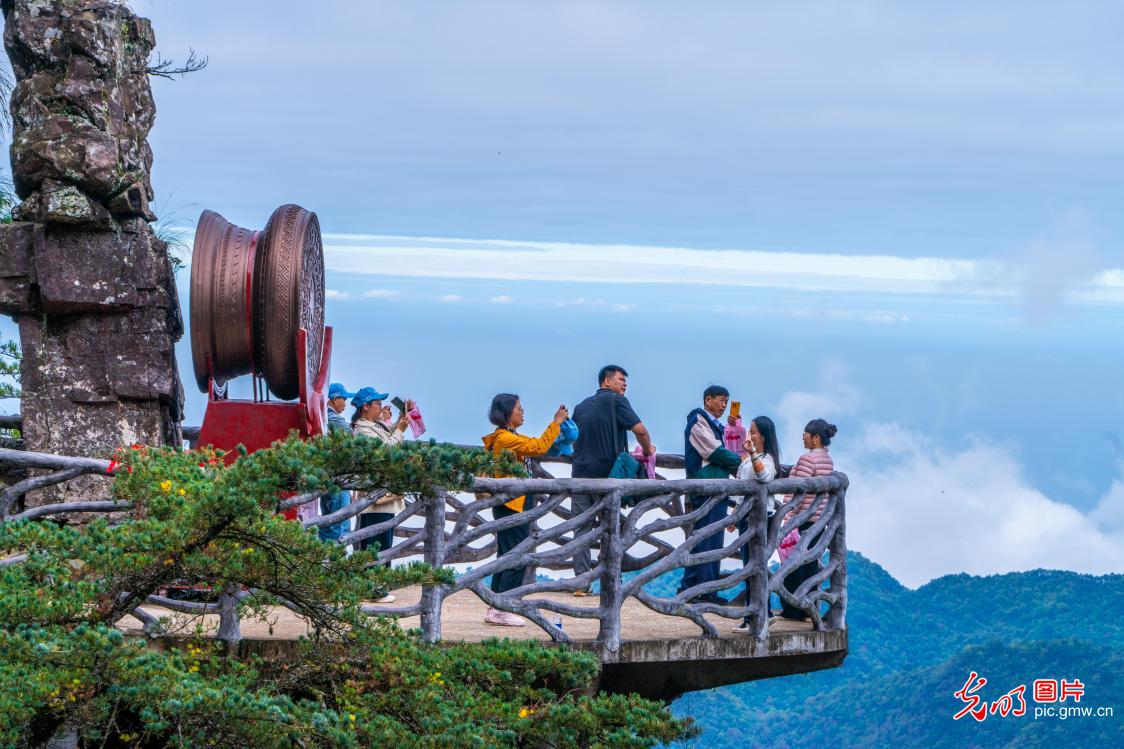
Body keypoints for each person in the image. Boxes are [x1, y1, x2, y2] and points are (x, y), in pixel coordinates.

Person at [481, 394, 569, 626]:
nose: (523, 412)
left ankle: (496, 605)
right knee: (517, 556)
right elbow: (538, 446)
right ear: (507, 412)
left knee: (507, 554)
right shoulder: (505, 438)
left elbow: (536, 445)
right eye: (519, 408)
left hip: (512, 503)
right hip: (512, 504)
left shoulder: (507, 437)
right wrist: (556, 423)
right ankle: (503, 607)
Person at [570, 365, 655, 595]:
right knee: (610, 529)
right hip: (609, 479)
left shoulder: (580, 407)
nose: (625, 384)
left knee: (581, 530)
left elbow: (573, 439)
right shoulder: (617, 401)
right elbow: (641, 431)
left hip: (579, 476)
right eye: (621, 379)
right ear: (606, 382)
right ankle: (610, 582)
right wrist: (648, 451)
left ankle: (580, 583)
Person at [678, 385, 742, 604]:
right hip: (707, 487)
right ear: (708, 400)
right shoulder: (698, 421)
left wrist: (735, 430)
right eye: (721, 400)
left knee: (706, 537)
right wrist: (739, 463)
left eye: (726, 401)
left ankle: (693, 588)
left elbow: (729, 447)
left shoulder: (715, 425)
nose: (724, 405)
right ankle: (704, 591)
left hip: (715, 486)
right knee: (708, 538)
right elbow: (712, 451)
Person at [351, 386, 415, 605]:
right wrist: (401, 430)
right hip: (374, 498)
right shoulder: (362, 430)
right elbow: (386, 451)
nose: (380, 407)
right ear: (365, 407)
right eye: (377, 403)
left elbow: (389, 439)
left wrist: (400, 419)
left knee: (382, 541)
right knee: (376, 543)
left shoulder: (373, 425)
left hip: (382, 495)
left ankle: (376, 586)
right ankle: (374, 589)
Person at [777, 418, 838, 622]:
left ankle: (792, 609)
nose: (803, 437)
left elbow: (798, 491)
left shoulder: (807, 459)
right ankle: (807, 607)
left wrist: (788, 516)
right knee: (809, 565)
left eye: (806, 434)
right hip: (819, 520)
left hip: (802, 519)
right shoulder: (828, 461)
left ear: (816, 438)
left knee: (792, 566)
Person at [731, 415, 780, 633]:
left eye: (754, 431)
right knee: (749, 567)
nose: (751, 434)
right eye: (750, 430)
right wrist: (735, 514)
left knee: (755, 567)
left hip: (761, 519)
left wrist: (751, 453)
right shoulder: (752, 457)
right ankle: (759, 613)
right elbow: (743, 487)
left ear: (764, 435)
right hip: (747, 517)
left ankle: (758, 616)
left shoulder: (767, 459)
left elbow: (763, 476)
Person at [317, 382, 355, 544]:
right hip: (338, 477)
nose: (346, 404)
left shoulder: (324, 416)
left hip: (328, 475)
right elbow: (353, 436)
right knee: (339, 523)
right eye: (343, 399)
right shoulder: (333, 418)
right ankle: (335, 560)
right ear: (334, 399)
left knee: (328, 521)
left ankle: (324, 560)